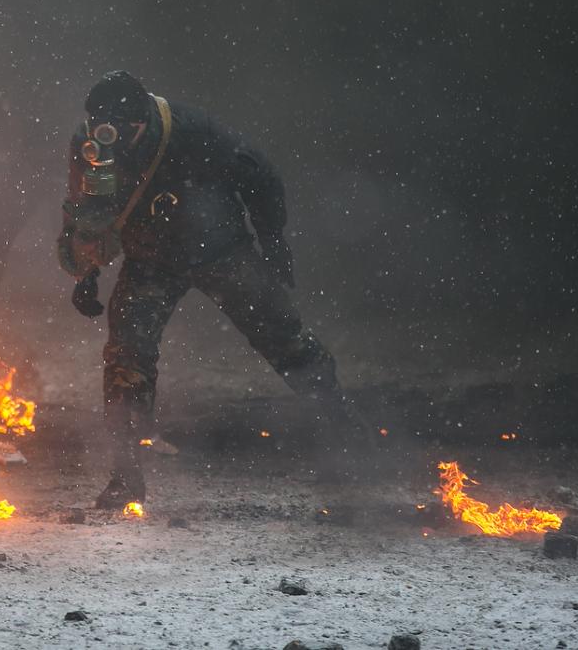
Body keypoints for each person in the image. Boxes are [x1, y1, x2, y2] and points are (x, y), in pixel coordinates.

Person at [56, 71, 370, 508]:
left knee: (285, 339)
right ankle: (126, 476)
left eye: (120, 128)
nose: (108, 137)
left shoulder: (192, 132)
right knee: (126, 358)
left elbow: (260, 174)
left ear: (142, 120)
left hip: (220, 250)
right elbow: (86, 211)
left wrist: (272, 241)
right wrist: (86, 273)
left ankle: (346, 440)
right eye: (99, 126)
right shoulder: (91, 148)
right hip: (150, 256)